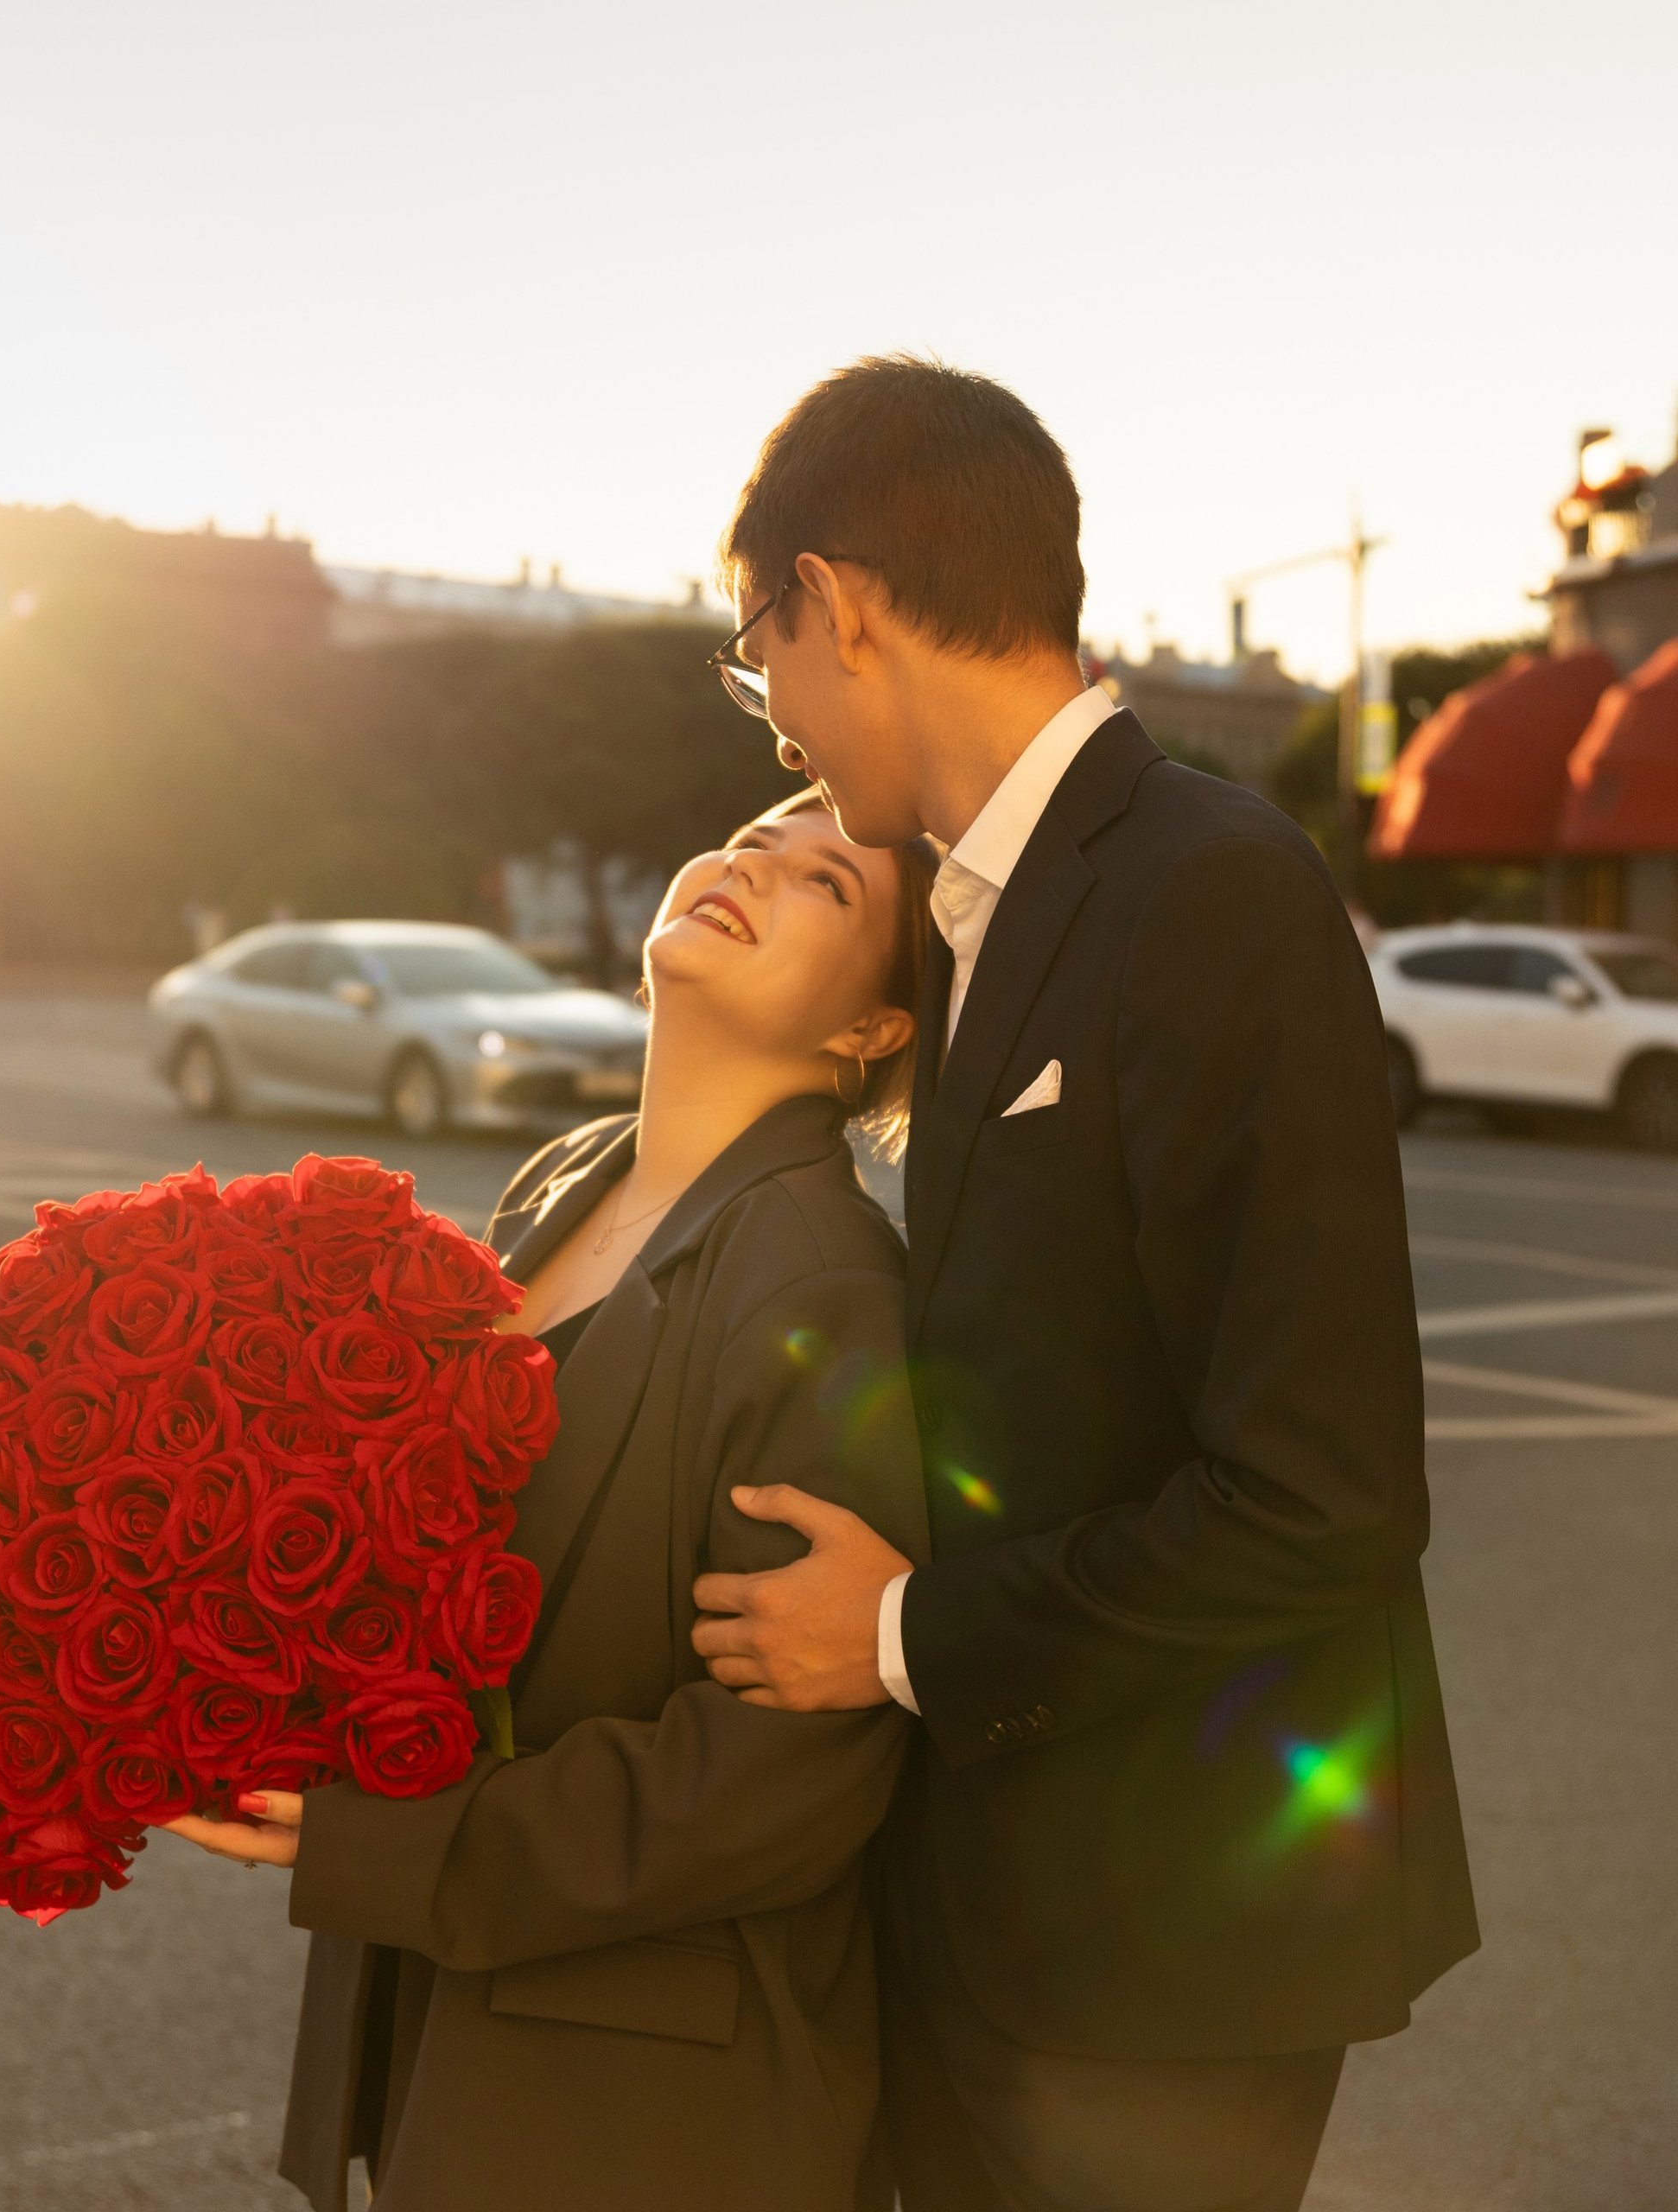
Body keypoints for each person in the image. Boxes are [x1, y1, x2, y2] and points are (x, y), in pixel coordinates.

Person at [687, 356, 1479, 2212]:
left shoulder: (1211, 883)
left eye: (757, 651)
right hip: (1000, 1912)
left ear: (838, 603)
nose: (775, 727)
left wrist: (903, 1637)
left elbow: (1322, 1499)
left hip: (1173, 1945)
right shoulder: (973, 911)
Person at [163, 791, 939, 2211]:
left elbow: (789, 1776)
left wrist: (408, 1846)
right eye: (753, 840)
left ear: (872, 1027)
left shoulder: (824, 1279)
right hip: (466, 2017)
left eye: (825, 881)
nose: (751, 867)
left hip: (645, 2095)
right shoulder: (569, 1179)